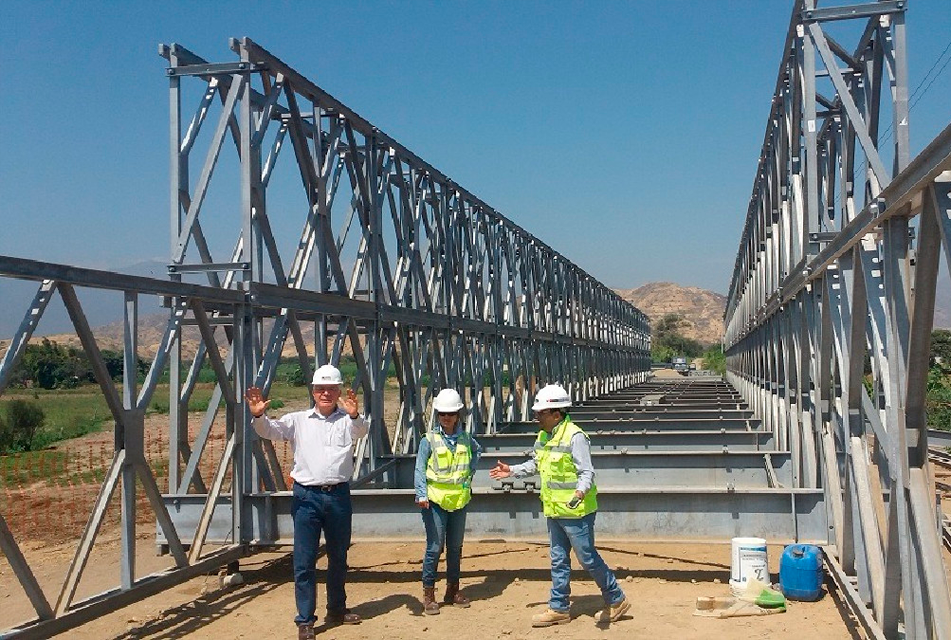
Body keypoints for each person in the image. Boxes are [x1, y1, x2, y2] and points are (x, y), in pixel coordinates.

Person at [489, 384, 630, 627]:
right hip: (554, 509)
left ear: (556, 414)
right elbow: (535, 464)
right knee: (558, 559)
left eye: (541, 413)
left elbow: (587, 471)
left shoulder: (575, 437)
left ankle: (616, 599)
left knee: (586, 558)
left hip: (577, 511)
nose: (537, 417)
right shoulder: (544, 436)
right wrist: (511, 470)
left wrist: (579, 492)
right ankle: (559, 608)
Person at [245, 364, 368, 640]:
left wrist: (355, 414)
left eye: (331, 389)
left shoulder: (347, 420)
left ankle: (337, 608)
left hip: (337, 495)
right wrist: (258, 415)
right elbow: (270, 431)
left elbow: (361, 431)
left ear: (338, 392)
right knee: (304, 559)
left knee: (338, 557)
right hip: (307, 497)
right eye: (321, 389)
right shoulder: (298, 420)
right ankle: (305, 619)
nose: (326, 393)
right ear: (313, 391)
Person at [415, 388, 482, 615]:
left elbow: (477, 453)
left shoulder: (466, 439)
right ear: (437, 414)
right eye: (442, 413)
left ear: (458, 415)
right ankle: (429, 594)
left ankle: (452, 590)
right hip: (434, 501)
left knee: (455, 548)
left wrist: (468, 476)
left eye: (451, 413)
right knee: (435, 547)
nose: (446, 417)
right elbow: (419, 468)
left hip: (459, 500)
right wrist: (421, 494)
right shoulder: (429, 440)